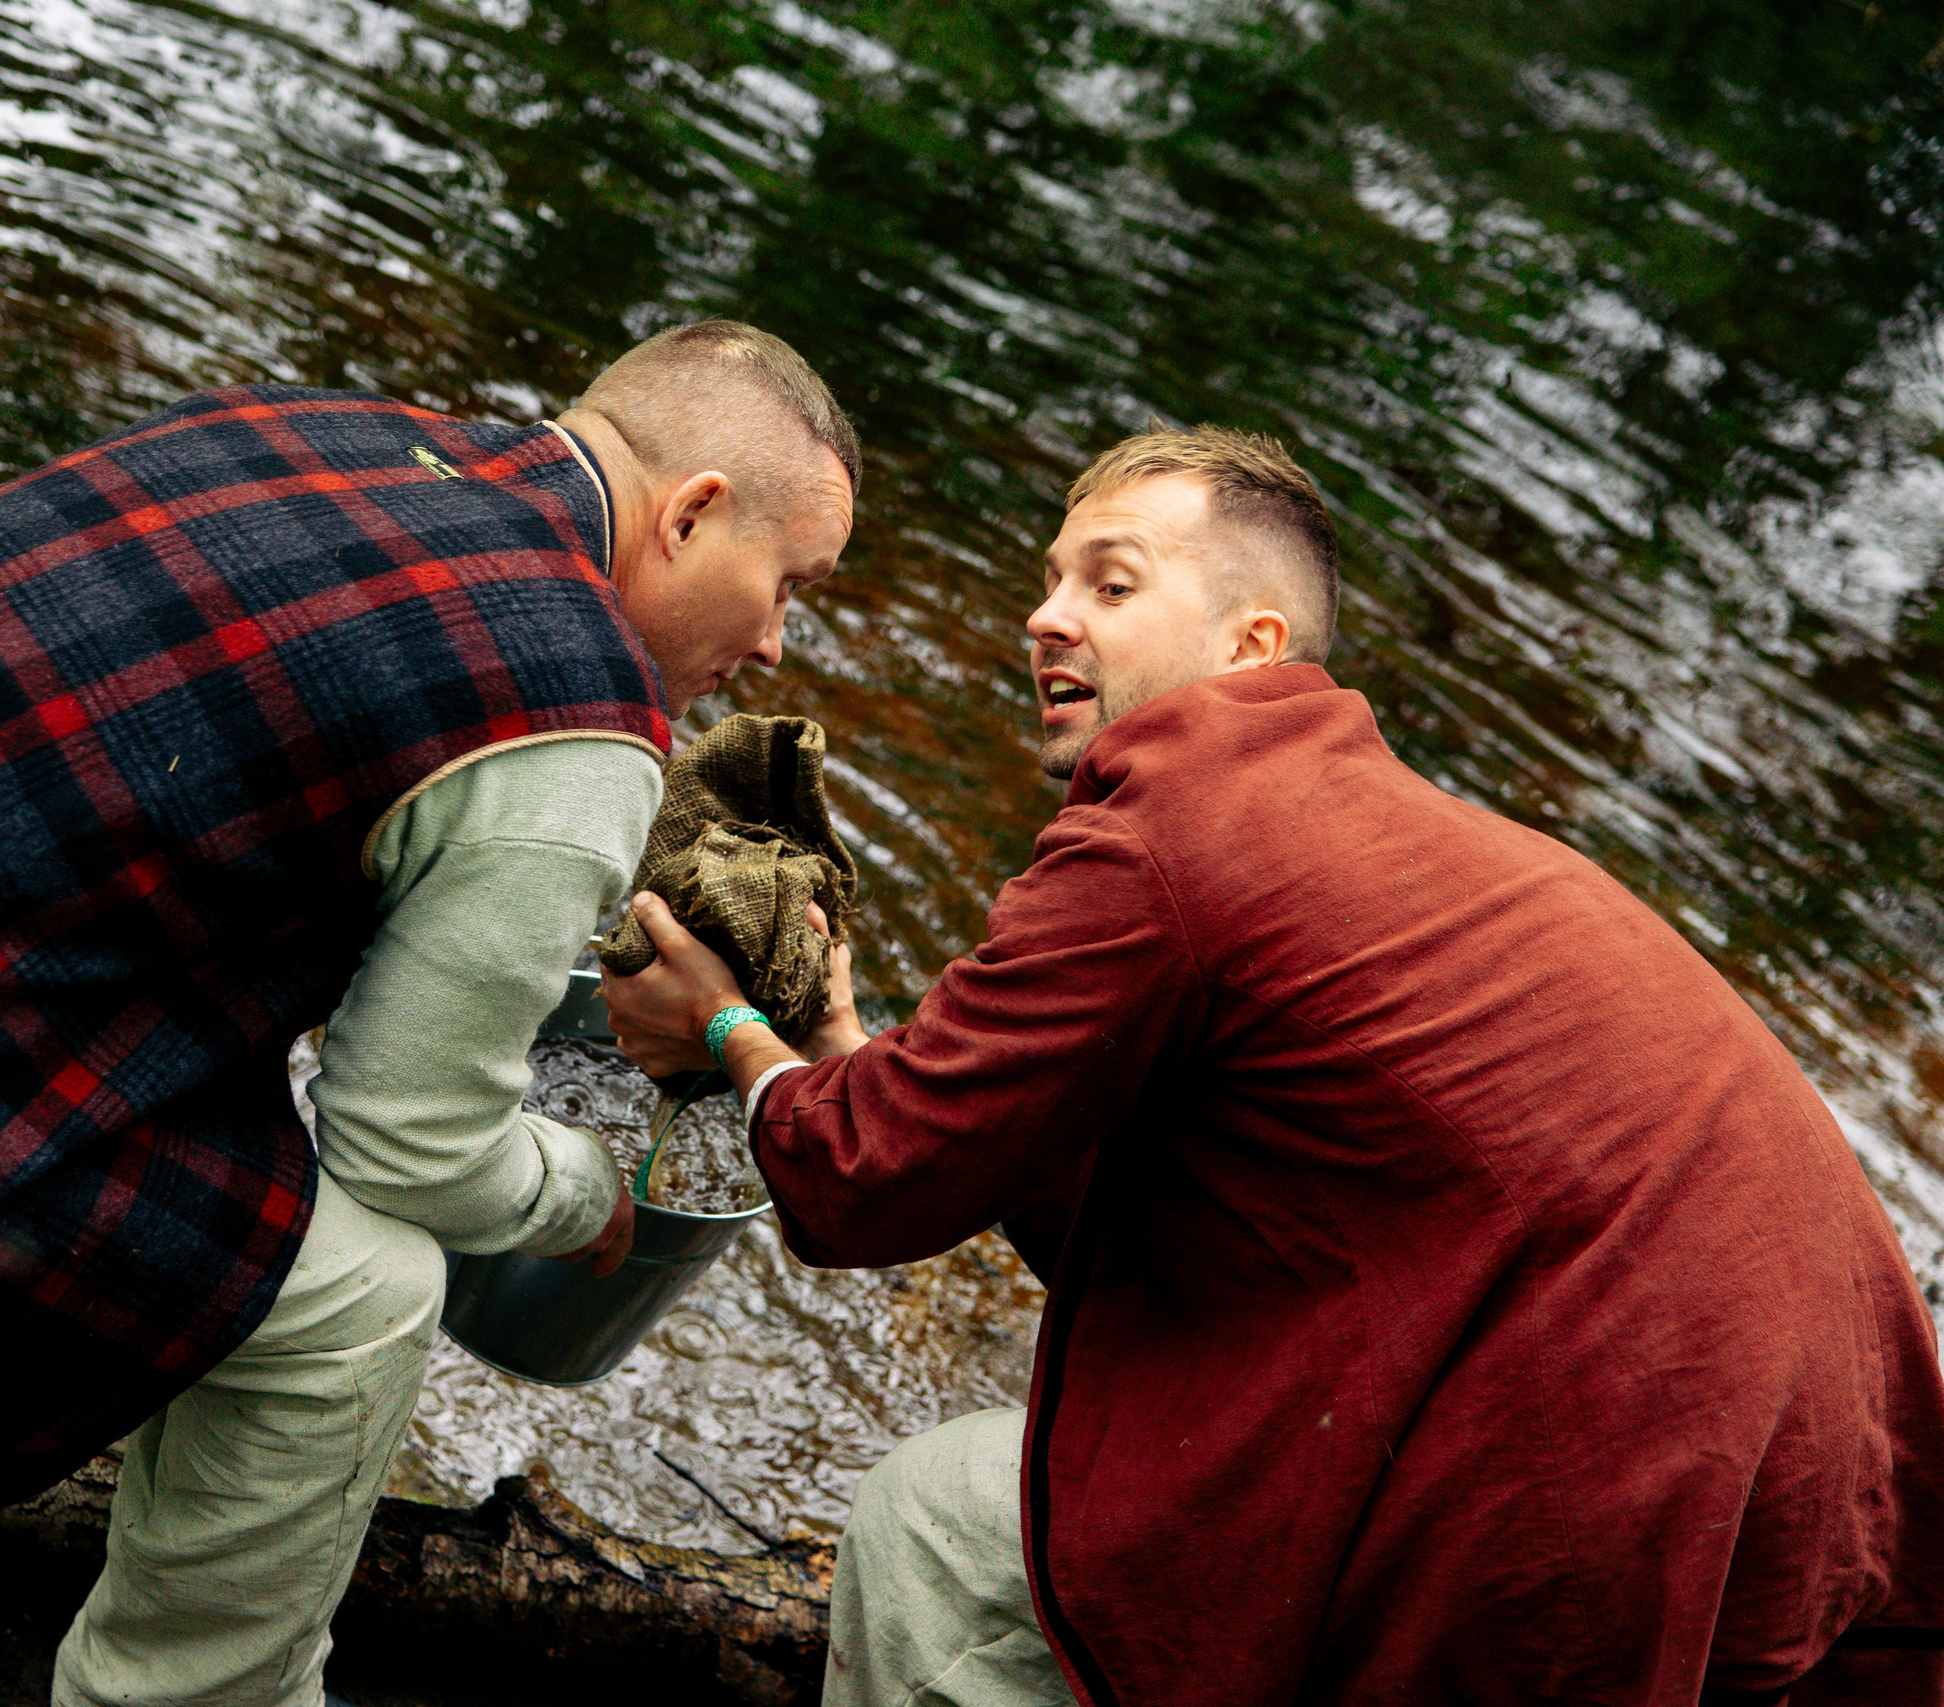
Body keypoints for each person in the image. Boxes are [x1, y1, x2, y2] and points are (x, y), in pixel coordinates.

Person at [0, 321, 859, 1707]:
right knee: (368, 1296)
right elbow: (403, 1144)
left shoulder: (326, 430)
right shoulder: (583, 715)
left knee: (229, 1133)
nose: (775, 637)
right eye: (788, 581)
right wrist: (577, 1198)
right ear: (690, 515)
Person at [603, 425, 1944, 1706]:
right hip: (1823, 1469)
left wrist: (728, 1030)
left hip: (1595, 1476)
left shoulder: (1169, 827)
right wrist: (844, 1049)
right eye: (1048, 579)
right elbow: (1140, 1214)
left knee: (933, 1522)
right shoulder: (1377, 825)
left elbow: (862, 1184)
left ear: (1251, 647)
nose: (1044, 615)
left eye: (1111, 583)